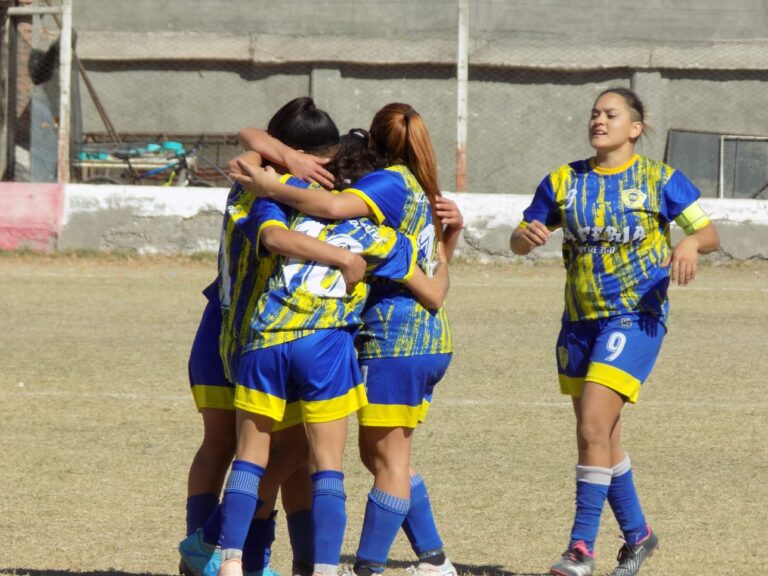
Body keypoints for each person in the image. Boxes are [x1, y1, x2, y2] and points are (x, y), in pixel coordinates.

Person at [234, 102, 463, 576]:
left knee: (386, 458)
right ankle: (434, 558)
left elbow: (332, 208)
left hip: (395, 337)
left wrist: (274, 183)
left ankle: (368, 567)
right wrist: (450, 238)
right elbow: (436, 287)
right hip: (412, 335)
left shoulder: (384, 193)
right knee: (377, 454)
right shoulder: (405, 204)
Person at [510, 87, 720, 576]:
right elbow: (520, 239)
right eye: (594, 114)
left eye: (611, 114)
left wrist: (689, 244)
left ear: (635, 128)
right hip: (579, 321)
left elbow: (708, 234)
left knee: (590, 427)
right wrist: (525, 236)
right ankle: (640, 536)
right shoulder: (563, 181)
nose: (599, 120)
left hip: (635, 317)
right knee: (602, 434)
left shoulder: (659, 180)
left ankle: (580, 550)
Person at [181, 97, 370, 576]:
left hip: (251, 331)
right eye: (320, 161)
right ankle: (219, 548)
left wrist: (287, 158)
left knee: (269, 451)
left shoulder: (263, 174)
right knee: (266, 449)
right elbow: (251, 149)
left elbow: (249, 135)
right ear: (298, 155)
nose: (325, 172)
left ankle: (248, 557)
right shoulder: (268, 184)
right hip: (250, 332)